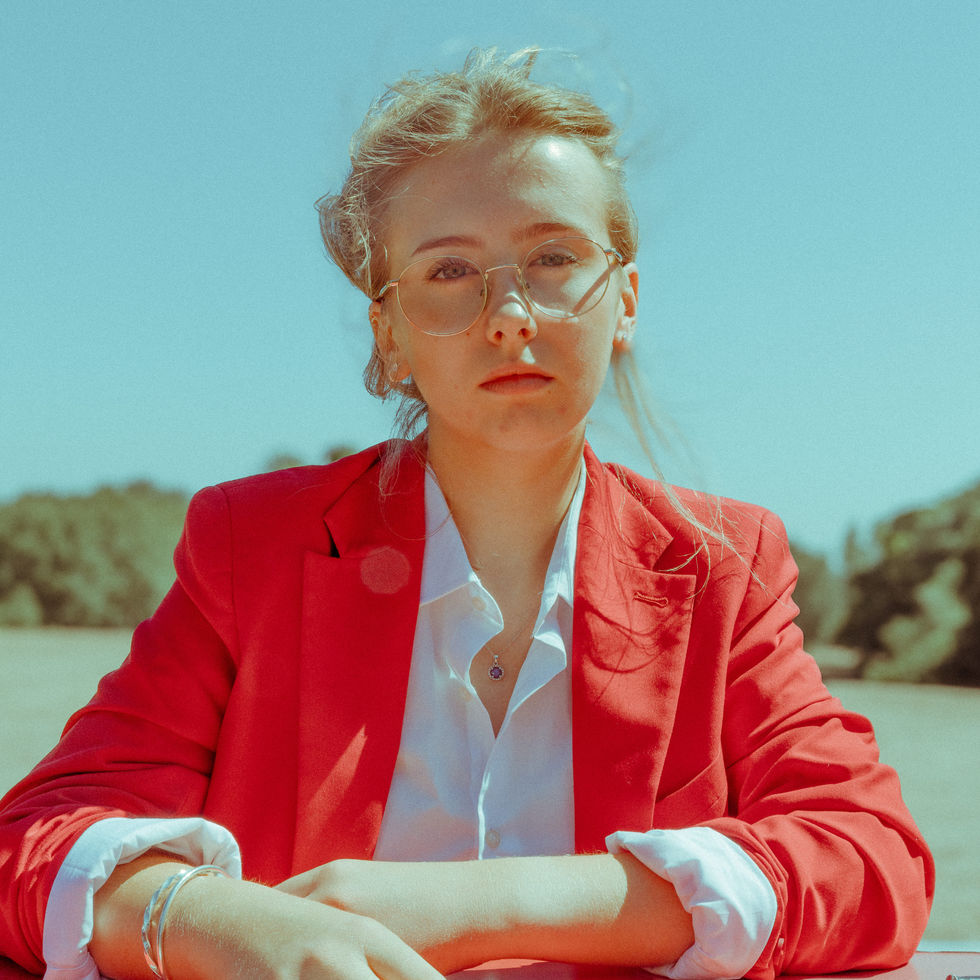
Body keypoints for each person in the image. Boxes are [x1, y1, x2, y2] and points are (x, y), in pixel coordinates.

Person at [0, 48, 932, 980]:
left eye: (554, 256)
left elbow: (871, 859)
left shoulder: (726, 566)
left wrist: (491, 906)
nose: (510, 314)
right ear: (389, 334)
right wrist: (215, 923)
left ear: (627, 302)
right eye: (450, 272)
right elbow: (36, 843)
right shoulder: (253, 550)